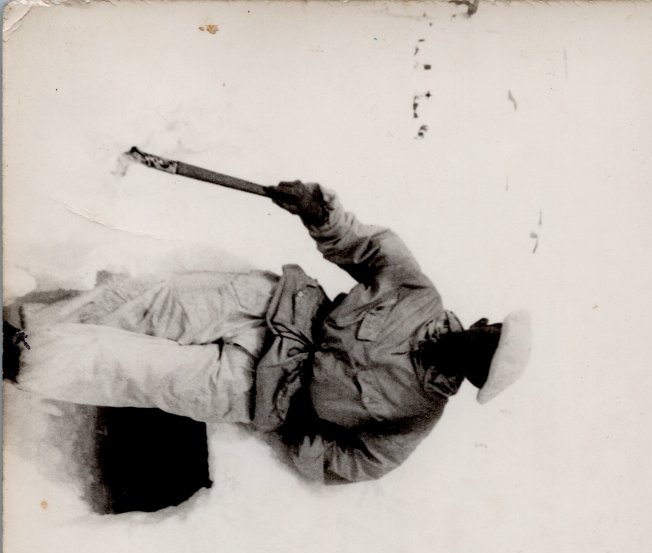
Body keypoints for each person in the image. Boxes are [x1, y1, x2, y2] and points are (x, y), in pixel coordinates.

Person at [4, 180, 532, 484]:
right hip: (270, 307)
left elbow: (358, 464)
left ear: (474, 379)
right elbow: (369, 247)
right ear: (484, 323)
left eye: (482, 362)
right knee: (140, 304)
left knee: (135, 371)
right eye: (488, 337)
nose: (475, 347)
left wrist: (296, 426)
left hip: (255, 387)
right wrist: (322, 213)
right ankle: (21, 324)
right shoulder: (420, 296)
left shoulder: (415, 414)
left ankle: (17, 358)